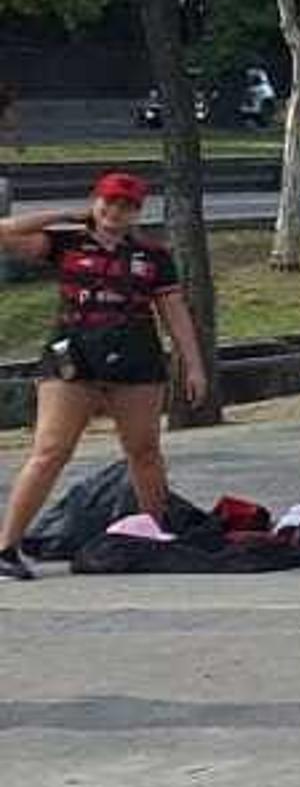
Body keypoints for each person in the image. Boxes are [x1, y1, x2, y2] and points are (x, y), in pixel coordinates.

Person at [0, 172, 209, 580]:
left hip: (136, 360)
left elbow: (175, 312)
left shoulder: (152, 256)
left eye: (125, 206)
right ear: (95, 202)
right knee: (51, 450)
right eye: (108, 203)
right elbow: (6, 232)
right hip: (74, 359)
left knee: (144, 450)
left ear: (137, 212)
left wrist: (194, 364)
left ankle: (154, 533)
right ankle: (7, 545)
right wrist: (64, 215)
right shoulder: (66, 243)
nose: (115, 212)